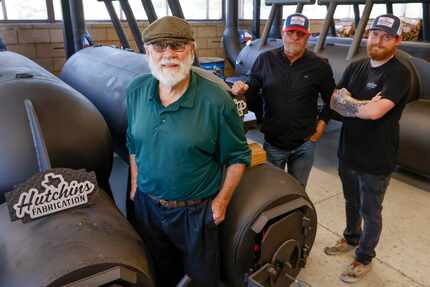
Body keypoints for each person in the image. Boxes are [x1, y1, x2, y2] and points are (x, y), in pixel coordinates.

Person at [126, 16, 250, 287]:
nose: (168, 54)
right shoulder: (136, 91)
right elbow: (132, 142)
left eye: (177, 46)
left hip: (194, 213)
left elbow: (238, 157)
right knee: (160, 271)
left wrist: (221, 203)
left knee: (202, 279)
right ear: (147, 52)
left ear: (192, 50)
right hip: (148, 207)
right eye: (159, 47)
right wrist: (136, 182)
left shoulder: (216, 100)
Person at [325, 14, 411, 283]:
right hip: (348, 151)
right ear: (367, 35)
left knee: (370, 211)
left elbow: (375, 113)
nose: (378, 40)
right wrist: (361, 104)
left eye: (386, 37)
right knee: (351, 202)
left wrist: (352, 102)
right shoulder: (357, 66)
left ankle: (364, 257)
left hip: (377, 159)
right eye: (375, 34)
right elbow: (334, 101)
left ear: (397, 40)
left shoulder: (399, 73)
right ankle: (351, 238)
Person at [232, 13, 335, 187]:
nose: (295, 37)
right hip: (273, 143)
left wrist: (321, 126)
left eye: (300, 34)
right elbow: (252, 90)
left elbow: (332, 99)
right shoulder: (265, 60)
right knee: (272, 191)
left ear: (307, 37)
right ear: (283, 33)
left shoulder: (320, 65)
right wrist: (241, 91)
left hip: (305, 143)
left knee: (298, 190)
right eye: (291, 32)